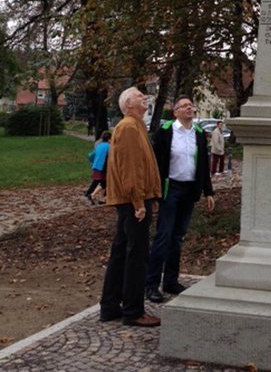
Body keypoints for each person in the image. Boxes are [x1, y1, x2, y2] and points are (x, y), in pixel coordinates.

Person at [99, 87, 162, 327]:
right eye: (138, 95)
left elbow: (140, 167)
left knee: (122, 251)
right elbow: (130, 169)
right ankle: (133, 311)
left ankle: (110, 306)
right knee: (136, 256)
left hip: (135, 199)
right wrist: (139, 203)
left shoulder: (135, 126)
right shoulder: (128, 127)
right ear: (128, 104)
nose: (143, 96)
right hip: (133, 201)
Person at [145, 95, 215, 303]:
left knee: (178, 237)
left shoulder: (200, 134)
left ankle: (171, 280)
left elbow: (203, 164)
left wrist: (208, 192)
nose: (188, 108)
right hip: (170, 189)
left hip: (189, 190)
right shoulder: (166, 132)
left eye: (190, 105)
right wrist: (155, 194)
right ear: (175, 112)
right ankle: (151, 283)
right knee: (164, 236)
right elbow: (156, 163)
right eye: (183, 106)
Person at [85, 130, 111, 205]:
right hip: (102, 167)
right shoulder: (109, 146)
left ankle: (100, 198)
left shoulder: (99, 145)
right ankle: (92, 194)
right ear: (109, 139)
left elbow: (92, 155)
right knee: (103, 182)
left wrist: (93, 162)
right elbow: (111, 157)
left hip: (96, 166)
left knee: (103, 182)